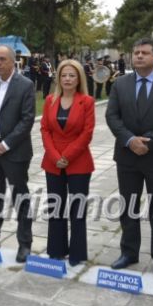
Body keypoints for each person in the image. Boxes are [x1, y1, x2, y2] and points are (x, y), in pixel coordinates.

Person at [105, 38, 153, 278]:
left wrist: (148, 141)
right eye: (136, 52)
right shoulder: (121, 84)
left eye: (145, 53)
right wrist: (130, 140)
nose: (139, 56)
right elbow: (112, 116)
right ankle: (129, 252)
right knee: (128, 207)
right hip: (128, 157)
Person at [0, 45, 36, 263]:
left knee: (20, 197)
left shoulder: (26, 85)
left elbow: (27, 119)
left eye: (2, 59)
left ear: (13, 61)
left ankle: (25, 244)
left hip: (15, 152)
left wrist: (7, 144)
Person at [40, 59, 95, 266]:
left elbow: (87, 132)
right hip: (52, 162)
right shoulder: (49, 100)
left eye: (72, 75)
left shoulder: (87, 101)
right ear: (58, 78)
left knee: (77, 210)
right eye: (64, 75)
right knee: (56, 208)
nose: (68, 79)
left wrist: (67, 156)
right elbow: (45, 129)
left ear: (79, 78)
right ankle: (56, 250)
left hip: (79, 161)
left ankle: (77, 253)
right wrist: (55, 157)